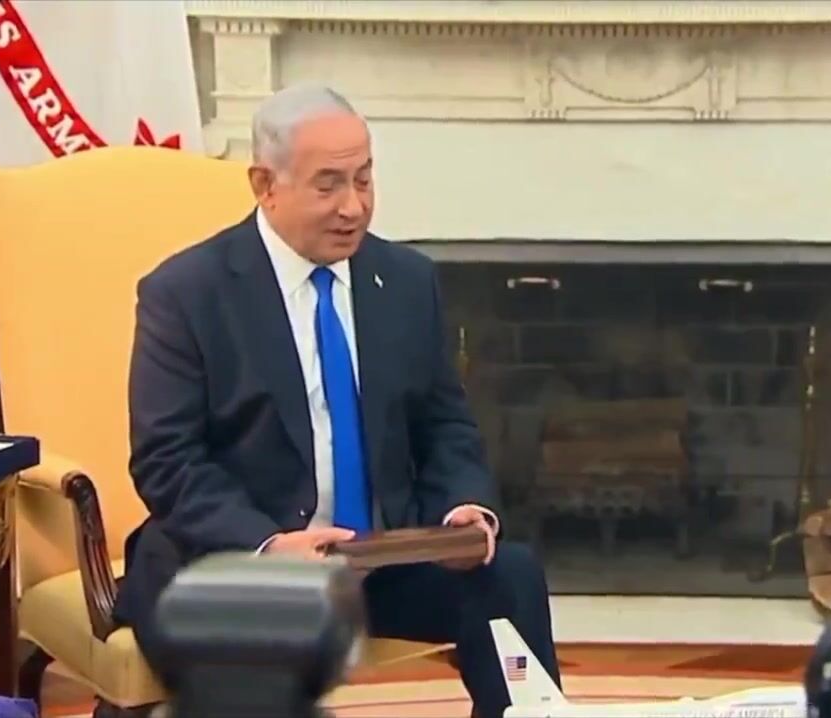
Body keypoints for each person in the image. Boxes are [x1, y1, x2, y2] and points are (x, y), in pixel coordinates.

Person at [111, 84, 560, 718]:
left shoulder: (406, 281)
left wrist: (462, 508)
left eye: (364, 180)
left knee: (510, 576)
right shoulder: (186, 293)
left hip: (381, 559)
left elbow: (444, 425)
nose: (354, 207)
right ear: (265, 185)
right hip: (237, 564)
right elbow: (168, 460)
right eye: (328, 186)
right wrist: (269, 545)